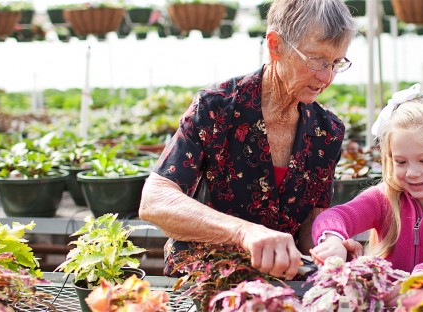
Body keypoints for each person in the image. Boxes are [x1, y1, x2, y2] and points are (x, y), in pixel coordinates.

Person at [139, 0, 355, 280]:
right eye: (316, 60)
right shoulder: (216, 107)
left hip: (280, 277)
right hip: (209, 274)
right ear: (276, 46)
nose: (327, 77)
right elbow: (154, 200)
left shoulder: (328, 131)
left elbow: (308, 226)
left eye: (336, 63)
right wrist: (244, 232)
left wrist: (330, 247)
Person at [310, 84, 423, 302]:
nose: (412, 173)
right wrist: (333, 241)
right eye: (400, 162)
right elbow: (335, 216)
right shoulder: (383, 199)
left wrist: (418, 282)